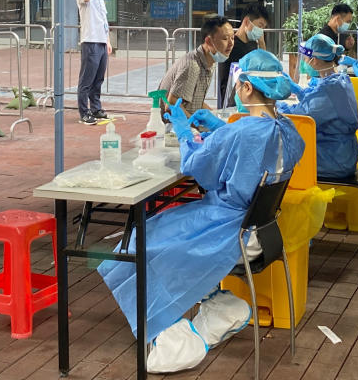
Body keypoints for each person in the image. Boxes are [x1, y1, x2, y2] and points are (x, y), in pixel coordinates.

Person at [100, 50, 304, 373]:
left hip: (228, 229)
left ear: (247, 88)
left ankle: (172, 335)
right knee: (159, 230)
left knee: (142, 242)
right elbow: (247, 152)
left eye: (238, 84)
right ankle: (220, 307)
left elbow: (197, 166)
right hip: (262, 230)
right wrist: (219, 128)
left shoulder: (242, 132)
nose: (236, 89)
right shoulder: (288, 131)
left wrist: (183, 130)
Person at [278, 34, 358, 179]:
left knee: (278, 159)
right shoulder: (338, 80)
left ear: (313, 60)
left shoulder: (329, 91)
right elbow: (316, 102)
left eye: (304, 57)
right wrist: (298, 90)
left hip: (331, 161)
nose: (303, 61)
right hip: (341, 152)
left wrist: (275, 104)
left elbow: (299, 117)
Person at [158, 15, 234, 117]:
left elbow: (194, 100)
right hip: (176, 126)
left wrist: (216, 116)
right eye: (225, 39)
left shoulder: (208, 62)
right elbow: (172, 106)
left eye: (232, 38)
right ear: (208, 41)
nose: (231, 43)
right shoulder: (192, 66)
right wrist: (197, 126)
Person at [75, 0, 111, 124]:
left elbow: (104, 21)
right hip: (90, 42)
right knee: (87, 80)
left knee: (98, 79)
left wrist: (107, 40)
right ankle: (84, 112)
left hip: (101, 42)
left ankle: (96, 108)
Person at [218, 4, 268, 106]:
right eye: (260, 25)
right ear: (246, 21)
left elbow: (264, 66)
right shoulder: (231, 46)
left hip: (249, 97)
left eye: (263, 28)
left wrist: (262, 43)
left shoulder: (252, 43)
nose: (261, 31)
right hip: (234, 100)